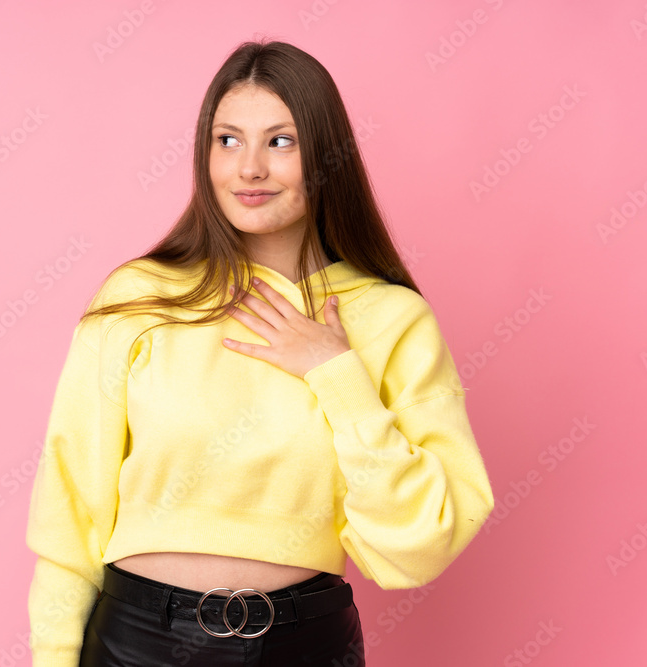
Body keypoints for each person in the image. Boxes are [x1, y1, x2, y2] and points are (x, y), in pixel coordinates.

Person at [25, 38, 495, 667]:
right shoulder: (140, 298)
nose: (249, 168)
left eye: (280, 141)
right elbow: (70, 511)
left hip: (307, 645)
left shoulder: (391, 320)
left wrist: (337, 374)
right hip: (139, 644)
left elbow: (423, 543)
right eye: (228, 140)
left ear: (325, 157)